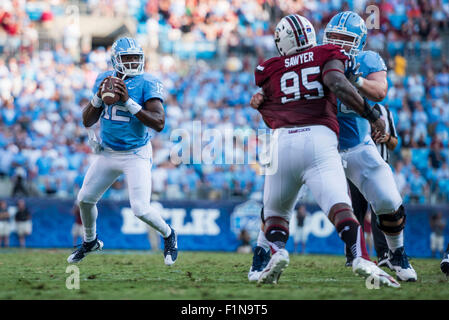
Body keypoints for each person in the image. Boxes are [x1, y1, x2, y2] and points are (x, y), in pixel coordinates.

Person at [248, 14, 398, 287]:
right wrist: (372, 115)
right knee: (340, 205)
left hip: (283, 140)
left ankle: (274, 251)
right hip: (320, 138)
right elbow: (338, 84)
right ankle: (356, 256)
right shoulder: (325, 54)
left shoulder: (270, 68)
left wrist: (260, 103)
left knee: (275, 212)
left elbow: (269, 115)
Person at [323, 11, 417, 282]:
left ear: (360, 42)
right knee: (279, 193)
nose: (339, 45)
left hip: (355, 146)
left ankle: (396, 254)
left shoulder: (367, 60)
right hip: (320, 144)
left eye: (345, 39)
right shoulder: (318, 58)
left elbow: (380, 92)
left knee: (388, 199)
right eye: (334, 38)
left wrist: (356, 80)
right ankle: (265, 250)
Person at [67, 37, 178, 266]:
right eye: (127, 58)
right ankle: (90, 241)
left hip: (135, 153)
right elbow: (87, 119)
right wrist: (97, 98)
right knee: (85, 200)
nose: (132, 62)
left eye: (135, 58)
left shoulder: (148, 82)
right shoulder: (103, 79)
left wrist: (128, 102)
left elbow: (158, 123)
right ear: (115, 60)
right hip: (108, 152)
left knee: (140, 208)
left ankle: (169, 235)